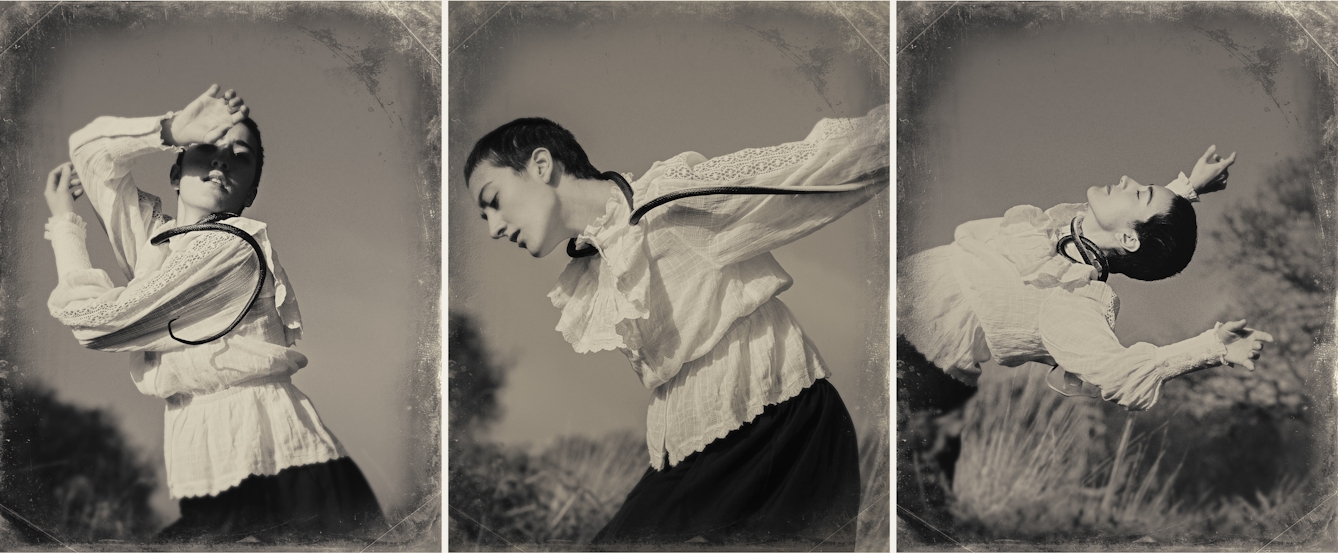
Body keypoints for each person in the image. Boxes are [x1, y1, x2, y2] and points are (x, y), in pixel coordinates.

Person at [463, 105, 889, 545]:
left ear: (540, 165)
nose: (493, 227)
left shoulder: (669, 204)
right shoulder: (601, 259)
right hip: (700, 450)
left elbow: (814, 165)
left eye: (493, 202)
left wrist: (906, 124)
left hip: (784, 430)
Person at [41, 85, 385, 542]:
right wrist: (170, 128)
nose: (222, 160)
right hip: (210, 469)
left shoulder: (232, 245)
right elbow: (89, 151)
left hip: (281, 471)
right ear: (176, 171)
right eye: (208, 147)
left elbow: (98, 324)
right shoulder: (157, 242)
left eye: (240, 156)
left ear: (249, 191)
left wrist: (67, 232)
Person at [895, 145, 1274, 538]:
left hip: (917, 373)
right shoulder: (1060, 233)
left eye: (1139, 193)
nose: (1127, 179)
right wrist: (1189, 187)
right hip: (902, 335)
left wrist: (1211, 348)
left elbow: (1119, 373)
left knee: (919, 528)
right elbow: (1145, 230)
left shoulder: (1072, 299)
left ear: (1127, 237)